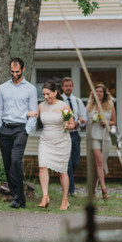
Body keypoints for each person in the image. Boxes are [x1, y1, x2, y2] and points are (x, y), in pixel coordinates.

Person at [0, 57, 37, 209]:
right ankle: (16, 196)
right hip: (5, 129)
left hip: (20, 129)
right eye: (12, 71)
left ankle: (19, 195)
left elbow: (33, 111)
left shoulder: (30, 89)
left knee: (15, 161)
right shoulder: (3, 88)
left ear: (23, 70)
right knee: (7, 164)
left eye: (17, 72)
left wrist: (26, 129)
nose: (14, 74)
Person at [28, 81, 76, 211]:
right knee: (42, 166)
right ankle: (45, 197)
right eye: (43, 94)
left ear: (55, 92)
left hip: (62, 142)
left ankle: (65, 200)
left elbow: (72, 124)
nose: (46, 97)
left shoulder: (64, 106)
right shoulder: (41, 106)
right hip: (45, 141)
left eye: (48, 94)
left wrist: (68, 125)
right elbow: (33, 115)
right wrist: (30, 114)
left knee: (62, 172)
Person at [86, 83, 116, 199]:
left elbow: (114, 121)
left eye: (100, 91)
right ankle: (104, 189)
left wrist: (106, 122)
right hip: (93, 137)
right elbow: (83, 118)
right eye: (96, 91)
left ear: (104, 94)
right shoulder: (89, 106)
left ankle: (92, 190)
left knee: (100, 164)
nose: (98, 93)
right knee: (98, 161)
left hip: (105, 137)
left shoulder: (110, 105)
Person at [60, 77, 87, 196]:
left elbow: (84, 118)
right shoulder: (59, 101)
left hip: (75, 135)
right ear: (62, 87)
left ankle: (66, 179)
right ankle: (70, 190)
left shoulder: (77, 101)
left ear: (73, 86)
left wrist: (79, 122)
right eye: (66, 86)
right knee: (68, 163)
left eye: (70, 85)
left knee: (75, 161)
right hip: (64, 134)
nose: (68, 88)